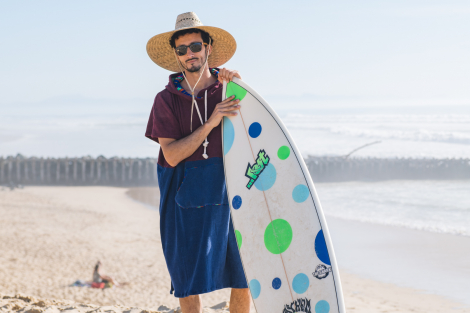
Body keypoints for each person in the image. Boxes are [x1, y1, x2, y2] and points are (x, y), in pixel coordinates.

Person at [145, 12, 251, 313]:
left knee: (242, 273)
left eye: (195, 46)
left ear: (208, 47)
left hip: (228, 191)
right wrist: (211, 122)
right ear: (176, 56)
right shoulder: (165, 100)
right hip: (183, 194)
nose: (189, 53)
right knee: (186, 277)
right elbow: (172, 154)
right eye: (182, 49)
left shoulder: (230, 89)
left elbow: (253, 136)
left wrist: (242, 88)